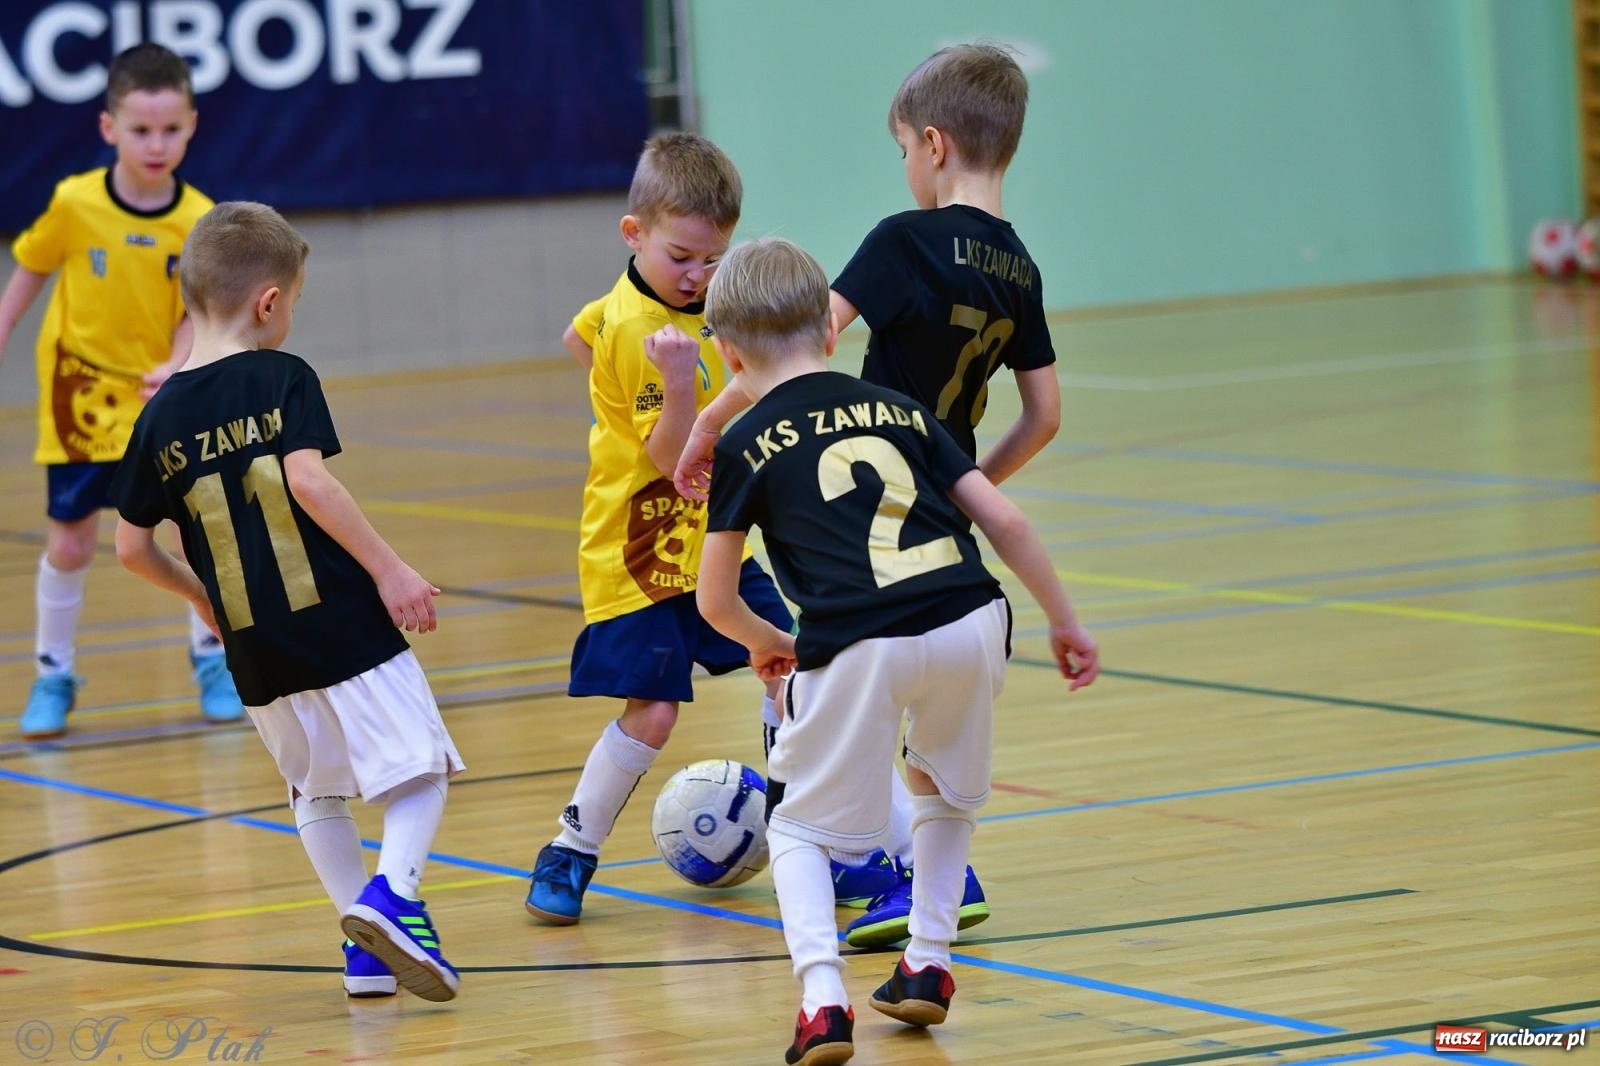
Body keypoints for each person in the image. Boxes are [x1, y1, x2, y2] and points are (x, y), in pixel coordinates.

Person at [676, 42, 1057, 943]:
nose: (904, 167)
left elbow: (800, 344)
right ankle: (909, 873)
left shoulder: (902, 239)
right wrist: (962, 490)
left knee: (839, 684)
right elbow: (1044, 416)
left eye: (901, 150)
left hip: (848, 497)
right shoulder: (1020, 267)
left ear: (933, 144)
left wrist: (707, 425)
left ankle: (882, 868)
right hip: (935, 519)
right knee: (917, 713)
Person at [694, 237, 1098, 1065]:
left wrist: (771, 644)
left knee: (796, 826)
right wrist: (1064, 620)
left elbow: (715, 600)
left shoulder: (745, 444)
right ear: (829, 331)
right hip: (970, 617)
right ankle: (928, 963)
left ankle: (822, 1003)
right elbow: (1004, 520)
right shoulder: (903, 410)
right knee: (940, 788)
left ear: (728, 354)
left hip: (857, 640)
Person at [110, 202, 465, 1002]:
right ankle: (393, 900)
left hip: (253, 644)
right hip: (335, 618)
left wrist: (201, 598)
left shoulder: (157, 417)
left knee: (316, 788)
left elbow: (131, 549)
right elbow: (309, 482)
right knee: (422, 765)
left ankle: (365, 954)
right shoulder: (283, 377)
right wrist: (390, 570)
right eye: (294, 303)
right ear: (269, 302)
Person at [522, 133, 796, 926]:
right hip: (637, 548)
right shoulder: (639, 331)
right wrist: (670, 387)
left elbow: (577, 333)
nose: (699, 275)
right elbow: (671, 458)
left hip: (713, 535)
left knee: (786, 662)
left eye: (714, 259)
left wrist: (612, 397)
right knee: (655, 711)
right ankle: (570, 848)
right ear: (633, 234)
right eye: (682, 258)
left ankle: (804, 833)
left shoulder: (680, 307)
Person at [0, 42, 246, 739]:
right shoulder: (75, 202)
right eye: (141, 130)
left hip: (158, 400)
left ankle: (212, 658)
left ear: (192, 125)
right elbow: (30, 267)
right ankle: (53, 672)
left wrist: (176, 362)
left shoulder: (199, 218)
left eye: (170, 129)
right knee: (72, 543)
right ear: (110, 128)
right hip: (78, 397)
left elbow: (199, 311)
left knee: (189, 533)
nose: (156, 144)